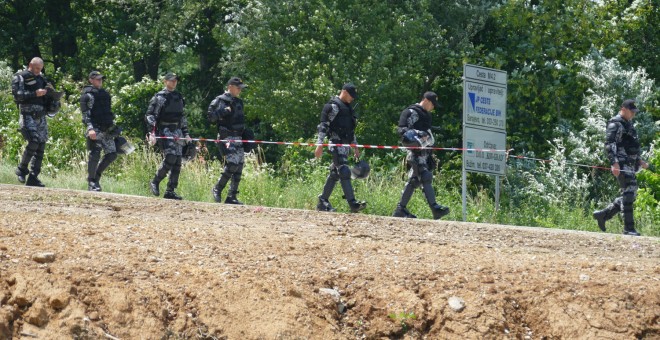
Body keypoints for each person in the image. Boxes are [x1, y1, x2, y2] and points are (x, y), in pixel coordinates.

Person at [593, 99, 650, 236]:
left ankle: (604, 215)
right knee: (629, 192)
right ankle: (628, 229)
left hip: (630, 164)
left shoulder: (628, 124)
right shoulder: (615, 123)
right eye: (631, 112)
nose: (633, 115)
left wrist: (639, 160)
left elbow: (630, 145)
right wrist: (614, 163)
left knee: (631, 194)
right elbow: (609, 144)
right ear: (623, 109)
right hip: (622, 164)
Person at [392, 91, 450, 220]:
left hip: (425, 153)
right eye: (432, 104)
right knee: (425, 176)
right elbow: (402, 130)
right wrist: (416, 135)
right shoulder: (410, 112)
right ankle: (435, 208)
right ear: (426, 101)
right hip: (414, 152)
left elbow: (428, 134)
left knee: (415, 181)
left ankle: (400, 209)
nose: (433, 107)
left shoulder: (427, 116)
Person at [314, 83, 367, 213]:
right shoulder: (333, 106)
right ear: (344, 92)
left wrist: (355, 146)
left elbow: (350, 130)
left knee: (335, 174)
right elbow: (323, 126)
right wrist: (319, 144)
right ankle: (353, 204)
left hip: (346, 145)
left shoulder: (348, 109)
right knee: (344, 171)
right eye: (351, 95)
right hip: (336, 143)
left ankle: (322, 201)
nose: (352, 98)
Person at [11, 57, 58, 187]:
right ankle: (21, 169)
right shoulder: (20, 77)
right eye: (36, 68)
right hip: (27, 115)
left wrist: (54, 100)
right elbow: (18, 95)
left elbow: (48, 96)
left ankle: (33, 177)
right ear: (30, 65)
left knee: (41, 146)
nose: (38, 71)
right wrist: (34, 94)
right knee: (34, 142)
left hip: (41, 116)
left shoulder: (42, 79)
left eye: (40, 69)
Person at [145, 72, 191, 200]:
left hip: (177, 130)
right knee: (170, 156)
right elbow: (150, 116)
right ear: (165, 81)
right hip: (165, 130)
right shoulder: (159, 97)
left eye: (175, 80)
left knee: (177, 161)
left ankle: (170, 190)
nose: (174, 82)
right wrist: (152, 133)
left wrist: (186, 133)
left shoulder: (179, 97)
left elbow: (182, 117)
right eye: (171, 80)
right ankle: (155, 181)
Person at [208, 77, 249, 204]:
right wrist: (222, 112)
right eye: (238, 88)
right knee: (232, 164)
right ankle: (217, 188)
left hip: (238, 137)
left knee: (239, 166)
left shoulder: (239, 102)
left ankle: (232, 196)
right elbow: (210, 117)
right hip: (226, 137)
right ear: (230, 86)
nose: (239, 91)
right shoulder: (219, 100)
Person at [80, 71, 120, 191]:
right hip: (94, 128)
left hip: (106, 129)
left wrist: (113, 128)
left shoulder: (105, 94)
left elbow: (107, 112)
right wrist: (90, 128)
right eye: (97, 79)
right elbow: (85, 115)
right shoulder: (87, 95)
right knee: (95, 153)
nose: (100, 81)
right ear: (91, 80)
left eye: (101, 79)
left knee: (112, 154)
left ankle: (96, 177)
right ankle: (91, 182)